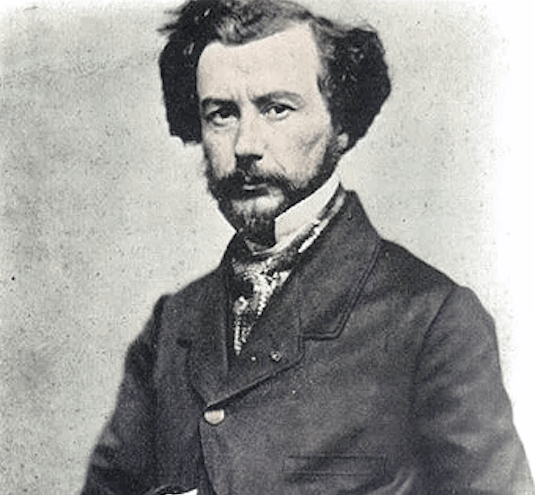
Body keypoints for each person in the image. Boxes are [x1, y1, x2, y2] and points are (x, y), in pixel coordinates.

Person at [80, 1, 534, 494]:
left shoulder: (431, 320)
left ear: (341, 123)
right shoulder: (173, 324)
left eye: (277, 109)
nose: (245, 145)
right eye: (222, 114)